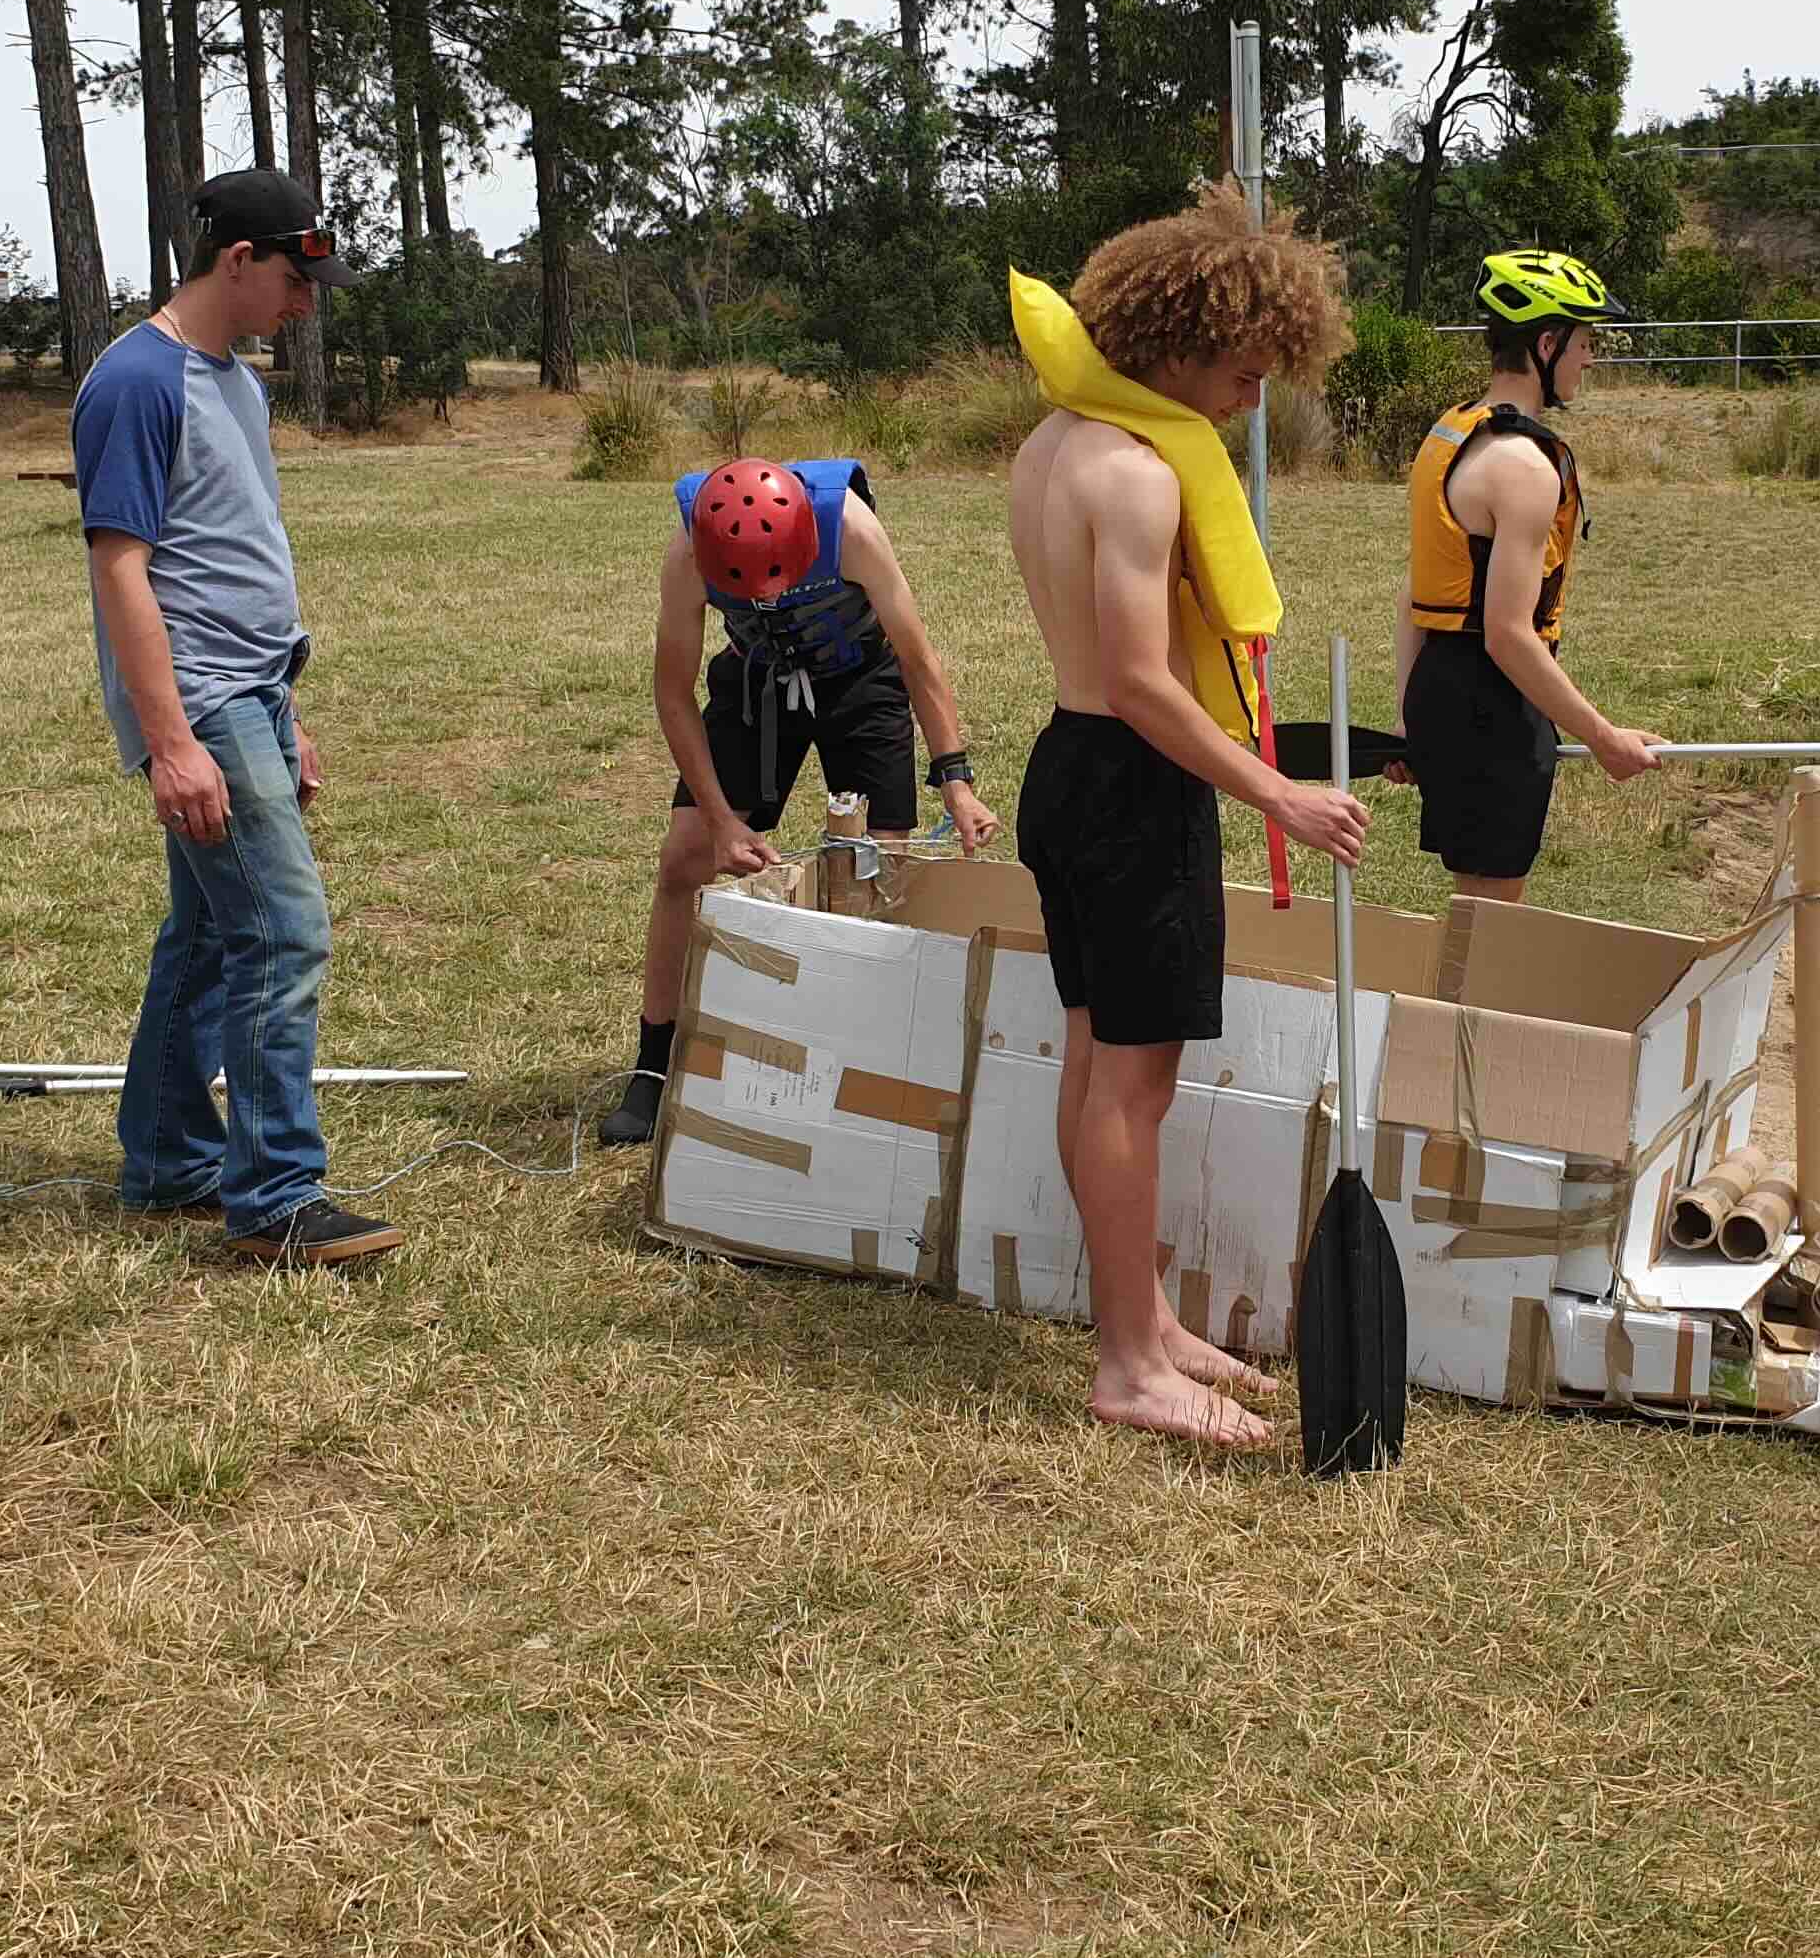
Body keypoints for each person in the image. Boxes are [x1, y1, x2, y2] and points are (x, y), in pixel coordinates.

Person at [1004, 184, 1366, 1449]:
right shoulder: (1140, 477)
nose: (1253, 401)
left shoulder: (1050, 446)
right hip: (1129, 784)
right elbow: (1144, 683)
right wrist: (1277, 792)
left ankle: (1145, 1321)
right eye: (1244, 373)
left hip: (1068, 769)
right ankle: (1126, 1367)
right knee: (1135, 1083)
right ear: (1175, 345)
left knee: (1095, 1055)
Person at [69, 168, 395, 1269]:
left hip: (249, 694)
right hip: (200, 701)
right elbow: (123, 570)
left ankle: (170, 1158)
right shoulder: (137, 381)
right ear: (239, 259)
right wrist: (172, 743)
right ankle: (274, 1199)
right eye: (297, 282)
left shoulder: (238, 385)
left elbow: (235, 551)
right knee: (283, 932)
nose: (306, 305)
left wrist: (284, 704)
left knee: (211, 933)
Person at [603, 455, 999, 1148]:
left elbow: (917, 657)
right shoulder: (688, 550)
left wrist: (956, 781)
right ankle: (655, 1063)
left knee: (884, 871)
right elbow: (672, 691)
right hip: (757, 680)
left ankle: (876, 1058)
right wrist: (720, 821)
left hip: (860, 676)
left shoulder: (849, 527)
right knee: (683, 860)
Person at [1394, 250, 1668, 901]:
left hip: (1444, 688)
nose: (1590, 359)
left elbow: (1414, 592)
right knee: (1490, 922)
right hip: (1492, 705)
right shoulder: (1523, 466)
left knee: (1477, 911)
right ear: (1547, 344)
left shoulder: (1449, 434)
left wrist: (1410, 716)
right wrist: (1603, 739)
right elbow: (1508, 635)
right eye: (1585, 342)